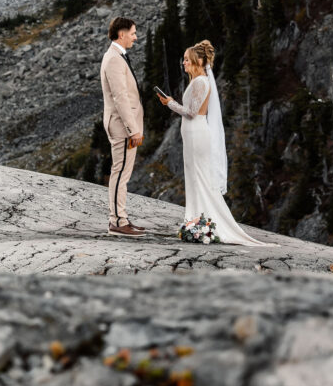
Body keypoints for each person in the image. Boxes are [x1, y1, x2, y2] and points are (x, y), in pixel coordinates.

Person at [157, 40, 271, 246]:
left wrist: (170, 103)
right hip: (192, 135)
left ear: (198, 60)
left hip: (197, 133)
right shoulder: (198, 81)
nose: (183, 63)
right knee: (194, 178)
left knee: (200, 178)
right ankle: (197, 220)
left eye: (186, 59)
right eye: (183, 60)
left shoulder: (201, 82)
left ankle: (205, 223)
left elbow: (191, 112)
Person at [100, 16, 146, 238]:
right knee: (120, 173)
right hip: (122, 126)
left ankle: (121, 218)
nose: (135, 37)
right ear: (122, 34)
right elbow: (120, 98)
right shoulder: (114, 60)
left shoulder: (116, 56)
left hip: (121, 124)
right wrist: (133, 129)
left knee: (122, 173)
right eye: (133, 33)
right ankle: (117, 221)